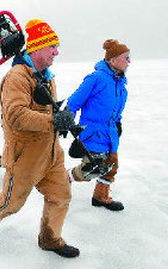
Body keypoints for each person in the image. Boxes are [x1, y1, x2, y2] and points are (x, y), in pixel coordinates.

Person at [0, 19, 79, 258]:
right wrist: (53, 121)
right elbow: (16, 115)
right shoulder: (17, 77)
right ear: (37, 47)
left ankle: (50, 239)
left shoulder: (46, 75)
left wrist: (60, 119)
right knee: (12, 202)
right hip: (25, 157)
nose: (57, 51)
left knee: (61, 195)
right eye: (52, 46)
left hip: (52, 153)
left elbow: (44, 110)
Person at [67, 39, 130, 211]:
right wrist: (66, 119)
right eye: (126, 58)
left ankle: (100, 197)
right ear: (112, 60)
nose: (129, 61)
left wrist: (118, 124)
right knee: (90, 170)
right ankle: (64, 179)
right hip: (94, 133)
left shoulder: (120, 83)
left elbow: (114, 110)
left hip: (110, 133)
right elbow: (74, 102)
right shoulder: (96, 79)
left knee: (112, 166)